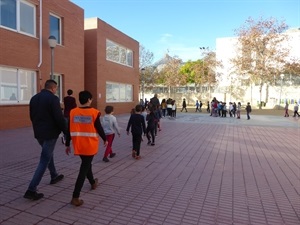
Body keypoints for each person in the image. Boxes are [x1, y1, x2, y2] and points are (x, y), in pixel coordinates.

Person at [24, 79, 66, 201]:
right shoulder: (53, 99)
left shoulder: (34, 98)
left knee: (47, 154)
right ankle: (31, 189)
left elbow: (32, 116)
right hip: (50, 133)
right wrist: (65, 131)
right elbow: (59, 117)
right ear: (53, 88)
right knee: (44, 159)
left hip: (39, 133)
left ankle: (54, 175)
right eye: (56, 88)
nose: (56, 90)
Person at [65, 90, 108, 206]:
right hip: (89, 145)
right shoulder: (94, 113)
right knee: (83, 168)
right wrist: (105, 139)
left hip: (78, 144)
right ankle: (75, 196)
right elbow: (99, 128)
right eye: (91, 99)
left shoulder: (73, 112)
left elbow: (68, 129)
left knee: (86, 164)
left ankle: (93, 182)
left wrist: (67, 143)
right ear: (89, 100)